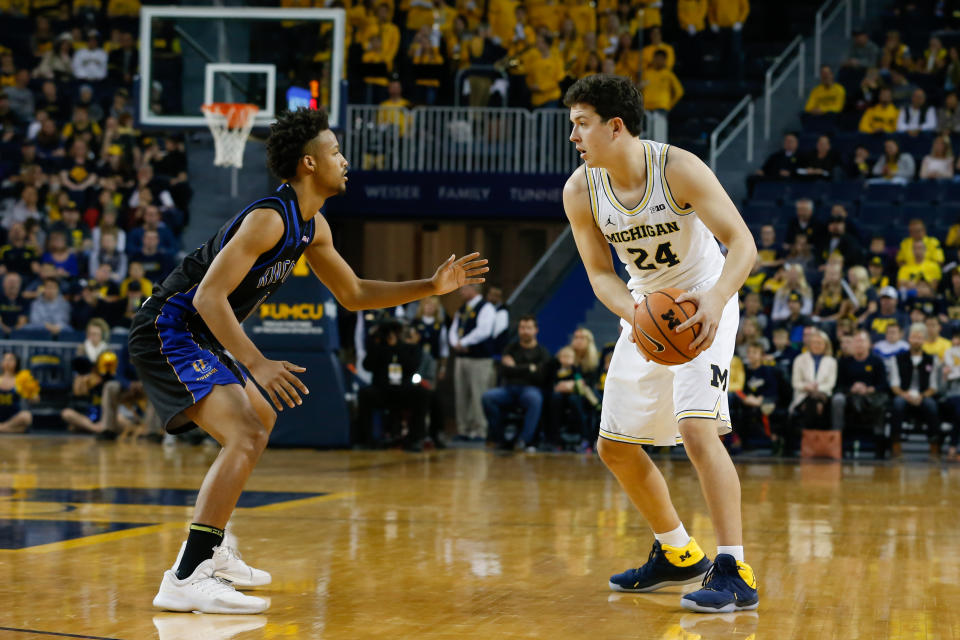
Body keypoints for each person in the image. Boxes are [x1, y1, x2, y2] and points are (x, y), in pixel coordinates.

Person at [129, 109, 487, 615]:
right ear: (309, 164)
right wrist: (255, 362)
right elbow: (209, 297)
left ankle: (217, 548)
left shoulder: (311, 226)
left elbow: (355, 292)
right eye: (336, 152)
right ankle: (187, 575)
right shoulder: (268, 219)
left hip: (200, 335)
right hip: (168, 329)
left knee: (261, 419)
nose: (345, 160)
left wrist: (430, 287)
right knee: (246, 433)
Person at [562, 74, 759, 613]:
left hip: (703, 301)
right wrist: (636, 315)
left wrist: (716, 302)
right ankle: (677, 552)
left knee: (697, 429)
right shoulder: (580, 190)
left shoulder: (677, 168)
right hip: (645, 308)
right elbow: (600, 275)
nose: (574, 136)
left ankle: (735, 568)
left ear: (615, 126)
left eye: (582, 124)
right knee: (614, 447)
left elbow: (743, 244)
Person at [482, 314, 552, 450]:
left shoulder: (542, 352)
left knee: (535, 399)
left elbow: (540, 377)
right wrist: (529, 368)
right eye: (522, 327)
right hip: (509, 389)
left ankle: (523, 440)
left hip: (530, 389)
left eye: (528, 328)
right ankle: (498, 438)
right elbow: (503, 372)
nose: (525, 331)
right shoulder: (510, 348)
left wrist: (515, 367)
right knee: (488, 397)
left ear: (535, 330)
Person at [831, 329, 890, 458]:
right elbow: (838, 385)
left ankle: (879, 446)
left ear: (869, 344)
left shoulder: (877, 361)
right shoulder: (844, 362)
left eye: (862, 341)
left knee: (882, 403)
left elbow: (884, 385)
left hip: (872, 397)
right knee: (837, 399)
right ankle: (837, 439)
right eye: (856, 341)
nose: (859, 344)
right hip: (850, 396)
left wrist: (869, 389)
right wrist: (851, 388)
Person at [448, 284, 496, 441]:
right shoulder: (462, 309)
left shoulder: (486, 308)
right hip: (462, 359)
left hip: (479, 359)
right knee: (461, 395)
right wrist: (456, 343)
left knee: (478, 394)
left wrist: (464, 342)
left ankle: (479, 430)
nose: (461, 291)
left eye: (464, 288)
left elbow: (484, 331)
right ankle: (464, 429)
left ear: (473, 289)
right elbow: (453, 330)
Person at [887, 323, 941, 459]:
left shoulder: (932, 359)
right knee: (897, 403)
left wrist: (922, 396)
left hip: (923, 396)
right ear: (908, 339)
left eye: (919, 337)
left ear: (924, 340)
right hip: (903, 394)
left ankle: (934, 446)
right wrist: (905, 395)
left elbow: (934, 387)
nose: (916, 340)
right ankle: (895, 445)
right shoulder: (897, 359)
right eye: (913, 337)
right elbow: (894, 385)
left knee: (931, 405)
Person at [787, 328, 836, 453]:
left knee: (815, 402)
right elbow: (795, 382)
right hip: (803, 394)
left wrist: (816, 388)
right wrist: (807, 387)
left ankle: (809, 444)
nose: (817, 345)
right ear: (809, 344)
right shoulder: (799, 359)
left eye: (820, 343)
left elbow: (830, 384)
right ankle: (813, 443)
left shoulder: (832, 361)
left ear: (826, 345)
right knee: (813, 403)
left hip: (824, 395)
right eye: (814, 342)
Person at [0, 352, 34, 433]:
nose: (7, 362)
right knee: (22, 429)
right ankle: (12, 430)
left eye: (11, 359)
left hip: (14, 418)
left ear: (16, 363)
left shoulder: (21, 379)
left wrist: (29, 391)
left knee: (27, 416)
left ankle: (2, 428)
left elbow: (34, 400)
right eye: (5, 359)